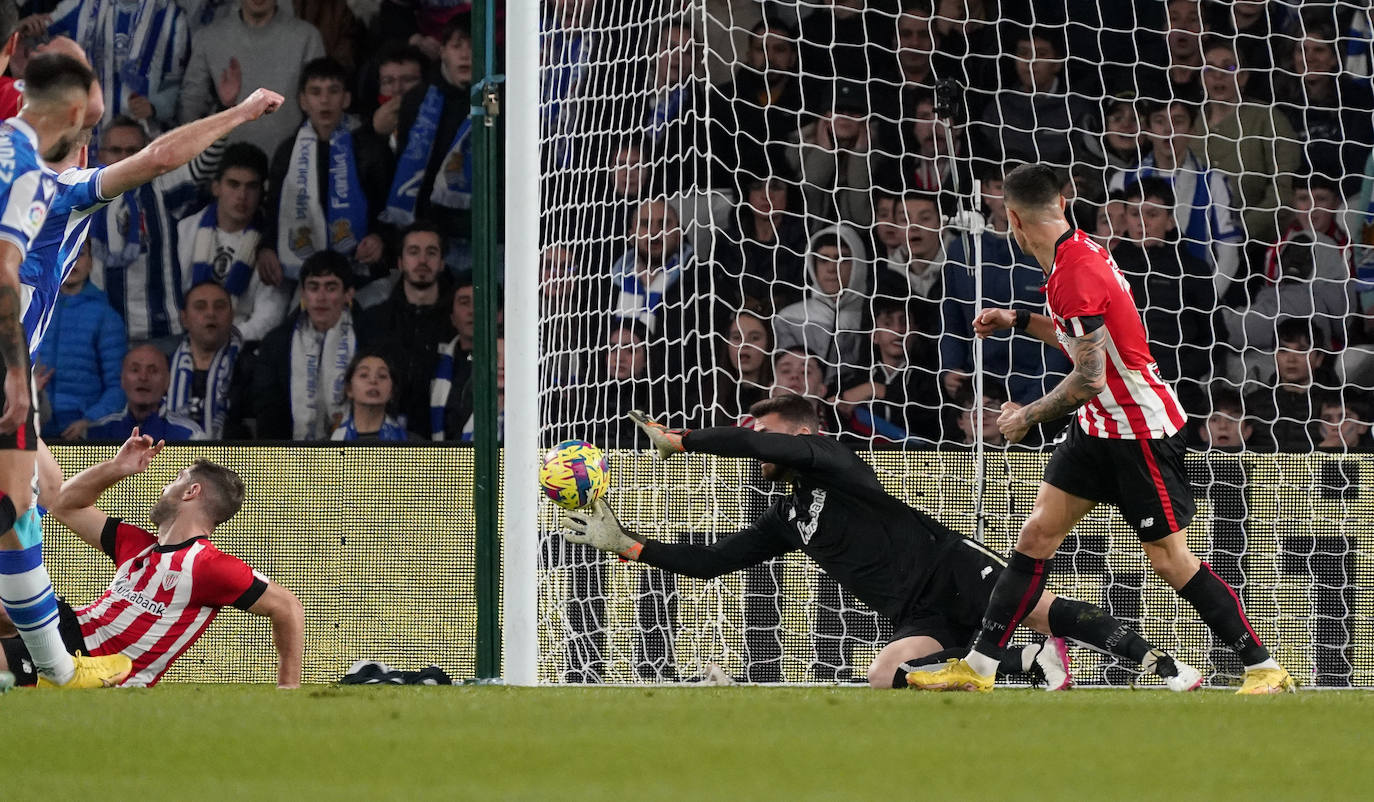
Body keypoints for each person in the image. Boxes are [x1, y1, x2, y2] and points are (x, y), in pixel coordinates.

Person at [907, 163, 1292, 694]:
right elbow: (1079, 341)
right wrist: (1017, 319)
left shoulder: (1075, 274)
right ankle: (979, 668)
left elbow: (1089, 377)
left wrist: (1026, 415)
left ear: (1013, 219)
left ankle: (1263, 668)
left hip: (1138, 429)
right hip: (1098, 426)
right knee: (1036, 535)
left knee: (1170, 559)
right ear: (1062, 205)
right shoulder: (1073, 253)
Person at [563, 397, 1203, 691]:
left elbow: (767, 444)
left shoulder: (830, 460)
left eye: (764, 424)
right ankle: (1030, 664)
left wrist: (685, 441)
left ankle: (1168, 668)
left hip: (947, 565)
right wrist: (629, 545)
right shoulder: (788, 515)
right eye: (751, 427)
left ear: (804, 431)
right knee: (884, 674)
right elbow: (710, 562)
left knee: (1039, 607)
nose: (754, 437)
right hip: (913, 613)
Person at [0, 51, 134, 688]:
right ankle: (58, 669)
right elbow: (3, 277)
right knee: (14, 511)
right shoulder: (43, 179)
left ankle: (50, 666)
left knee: (31, 498)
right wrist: (14, 375)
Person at [0, 431, 303, 687]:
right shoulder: (140, 545)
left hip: (94, 659)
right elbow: (63, 505)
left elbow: (288, 606)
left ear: (191, 491)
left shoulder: (208, 565)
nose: (163, 488)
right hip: (69, 629)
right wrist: (117, 467)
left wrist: (288, 689)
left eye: (175, 480)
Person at [261, 57, 392, 287]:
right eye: (315, 92)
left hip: (361, 268)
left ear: (346, 98)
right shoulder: (288, 152)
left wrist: (380, 238)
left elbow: (388, 209)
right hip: (301, 272)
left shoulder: (370, 148)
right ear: (303, 101)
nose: (324, 100)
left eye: (333, 91)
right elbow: (273, 211)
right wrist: (267, 248)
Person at [174, 142, 290, 344]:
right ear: (216, 187)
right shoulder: (184, 231)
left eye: (251, 186)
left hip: (242, 346)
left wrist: (225, 341)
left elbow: (270, 316)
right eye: (233, 184)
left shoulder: (272, 245)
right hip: (185, 340)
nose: (242, 196)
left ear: (262, 192)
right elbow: (172, 298)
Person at [178, 0, 325, 157]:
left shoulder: (307, 37)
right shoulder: (209, 39)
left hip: (293, 164)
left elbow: (321, 104)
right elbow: (191, 106)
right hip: (225, 167)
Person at [251, 250, 369, 440]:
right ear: (303, 295)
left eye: (330, 288)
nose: (321, 298)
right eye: (313, 288)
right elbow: (268, 411)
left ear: (348, 294)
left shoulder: (370, 341)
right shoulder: (277, 343)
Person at [21, 0, 190, 132]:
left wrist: (155, 106)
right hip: (84, 126)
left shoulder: (172, 17)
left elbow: (174, 82)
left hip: (141, 133)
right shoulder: (81, 5)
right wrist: (26, 27)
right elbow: (33, 38)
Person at [365, 221, 454, 438]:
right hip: (384, 443)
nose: (422, 260)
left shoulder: (456, 323)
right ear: (400, 262)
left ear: (442, 263)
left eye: (431, 253)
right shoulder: (373, 320)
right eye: (414, 252)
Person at [34, 240, 126, 440]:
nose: (74, 260)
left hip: (83, 430)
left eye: (81, 253)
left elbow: (118, 386)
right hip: (35, 421)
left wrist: (89, 421)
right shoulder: (37, 309)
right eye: (67, 251)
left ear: (92, 262)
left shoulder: (106, 316)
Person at [163, 281, 246, 439]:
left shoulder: (249, 368)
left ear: (232, 316)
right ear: (184, 318)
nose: (211, 313)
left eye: (220, 307)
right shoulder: (163, 367)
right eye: (200, 307)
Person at [87, 344, 206, 441]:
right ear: (122, 379)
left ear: (167, 381)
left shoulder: (191, 435)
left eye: (153, 371)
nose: (143, 377)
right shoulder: (98, 431)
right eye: (135, 370)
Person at [330, 349, 412, 441]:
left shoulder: (415, 448)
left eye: (382, 376)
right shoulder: (326, 449)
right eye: (364, 375)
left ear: (392, 391)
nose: (373, 380)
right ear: (349, 389)